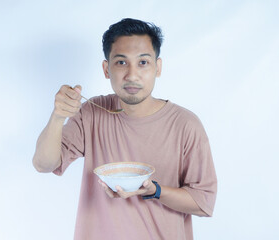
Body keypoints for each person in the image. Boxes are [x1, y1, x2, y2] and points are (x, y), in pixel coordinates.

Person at [33, 18, 217, 240]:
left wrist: (155, 191)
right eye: (121, 63)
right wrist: (57, 116)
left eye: (142, 63)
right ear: (106, 69)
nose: (132, 75)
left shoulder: (186, 124)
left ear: (157, 67)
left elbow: (204, 202)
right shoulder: (92, 112)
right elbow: (43, 164)